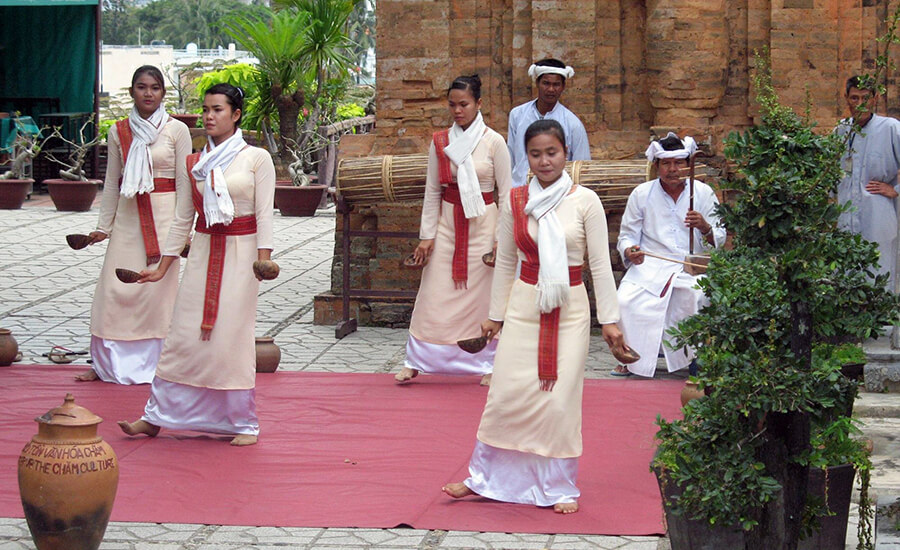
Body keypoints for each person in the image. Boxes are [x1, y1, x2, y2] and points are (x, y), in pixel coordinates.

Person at [442, 119, 624, 514]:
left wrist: (609, 320)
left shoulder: (586, 201)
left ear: (566, 154)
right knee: (506, 394)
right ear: (527, 156)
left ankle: (558, 487)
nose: (545, 161)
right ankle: (485, 478)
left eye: (552, 153)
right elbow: (506, 261)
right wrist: (494, 316)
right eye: (537, 154)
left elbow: (601, 264)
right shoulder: (516, 199)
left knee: (558, 401)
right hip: (524, 304)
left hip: (571, 307)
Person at [118, 83, 276, 446]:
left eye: (217, 109)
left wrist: (263, 261)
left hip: (241, 255)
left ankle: (241, 422)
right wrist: (162, 267)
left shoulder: (256, 158)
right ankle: (157, 416)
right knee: (184, 334)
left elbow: (265, 215)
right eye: (205, 109)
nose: (209, 116)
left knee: (229, 337)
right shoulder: (194, 162)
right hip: (204, 251)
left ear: (236, 115)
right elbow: (182, 219)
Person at [76, 65, 192, 384]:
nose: (148, 93)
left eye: (155, 87)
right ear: (131, 92)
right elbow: (113, 182)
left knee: (156, 293)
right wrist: (103, 226)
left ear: (163, 93)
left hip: (166, 218)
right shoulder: (118, 131)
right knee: (113, 290)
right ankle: (105, 364)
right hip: (128, 219)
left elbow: (185, 184)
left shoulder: (176, 130)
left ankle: (159, 364)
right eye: (141, 87)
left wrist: (186, 232)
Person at [395, 75, 512, 386]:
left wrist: (502, 239)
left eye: (464, 104)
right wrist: (427, 236)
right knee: (433, 293)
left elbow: (508, 192)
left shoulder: (493, 142)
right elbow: (432, 191)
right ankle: (415, 360)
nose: (458, 111)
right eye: (452, 105)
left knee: (484, 298)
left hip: (484, 226)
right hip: (448, 224)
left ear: (479, 104)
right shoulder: (440, 142)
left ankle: (486, 363)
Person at [612, 132, 725, 378]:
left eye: (678, 163)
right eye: (666, 163)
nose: (672, 169)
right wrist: (631, 251)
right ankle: (630, 359)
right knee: (624, 300)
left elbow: (720, 236)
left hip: (690, 266)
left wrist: (705, 227)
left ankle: (694, 359)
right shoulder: (641, 194)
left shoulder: (703, 193)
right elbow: (627, 237)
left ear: (688, 165)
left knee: (696, 295)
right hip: (650, 265)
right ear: (657, 166)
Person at [835, 75, 900, 291]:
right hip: (846, 217)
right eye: (854, 98)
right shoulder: (842, 131)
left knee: (879, 278)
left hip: (878, 218)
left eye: (865, 98)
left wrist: (895, 189)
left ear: (874, 99)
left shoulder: (890, 128)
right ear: (846, 99)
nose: (859, 104)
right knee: (846, 279)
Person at [506, 58, 591, 187]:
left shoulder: (573, 124)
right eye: (546, 83)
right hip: (521, 190)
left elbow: (582, 168)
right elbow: (510, 158)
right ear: (537, 83)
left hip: (558, 194)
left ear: (563, 87)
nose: (551, 89)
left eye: (556, 84)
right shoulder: (517, 115)